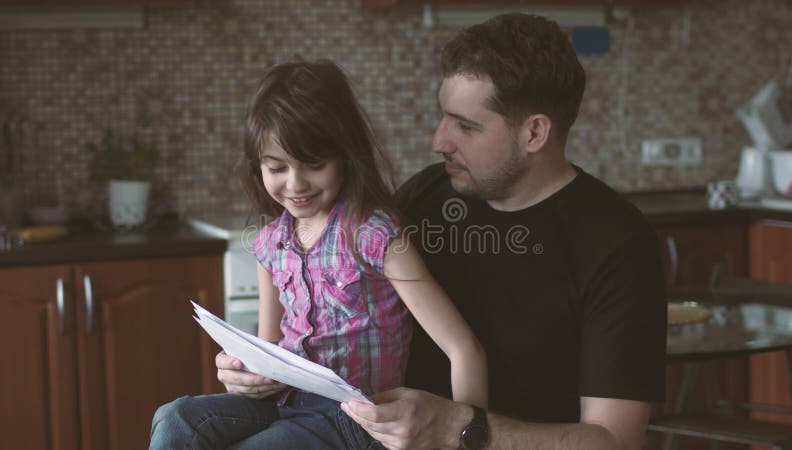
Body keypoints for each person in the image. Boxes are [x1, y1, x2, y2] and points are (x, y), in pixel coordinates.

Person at [337, 13, 667, 450]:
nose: (439, 141)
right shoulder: (423, 198)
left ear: (534, 132)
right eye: (444, 117)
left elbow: (614, 440)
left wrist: (460, 428)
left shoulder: (618, 242)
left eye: (466, 126)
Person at [149, 59, 487, 449]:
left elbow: (464, 349)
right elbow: (269, 352)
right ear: (257, 165)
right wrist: (244, 373)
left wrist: (469, 433)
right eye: (276, 167)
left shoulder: (376, 236)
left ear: (345, 155)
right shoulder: (270, 244)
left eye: (313, 165)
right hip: (286, 403)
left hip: (355, 420)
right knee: (173, 419)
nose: (295, 184)